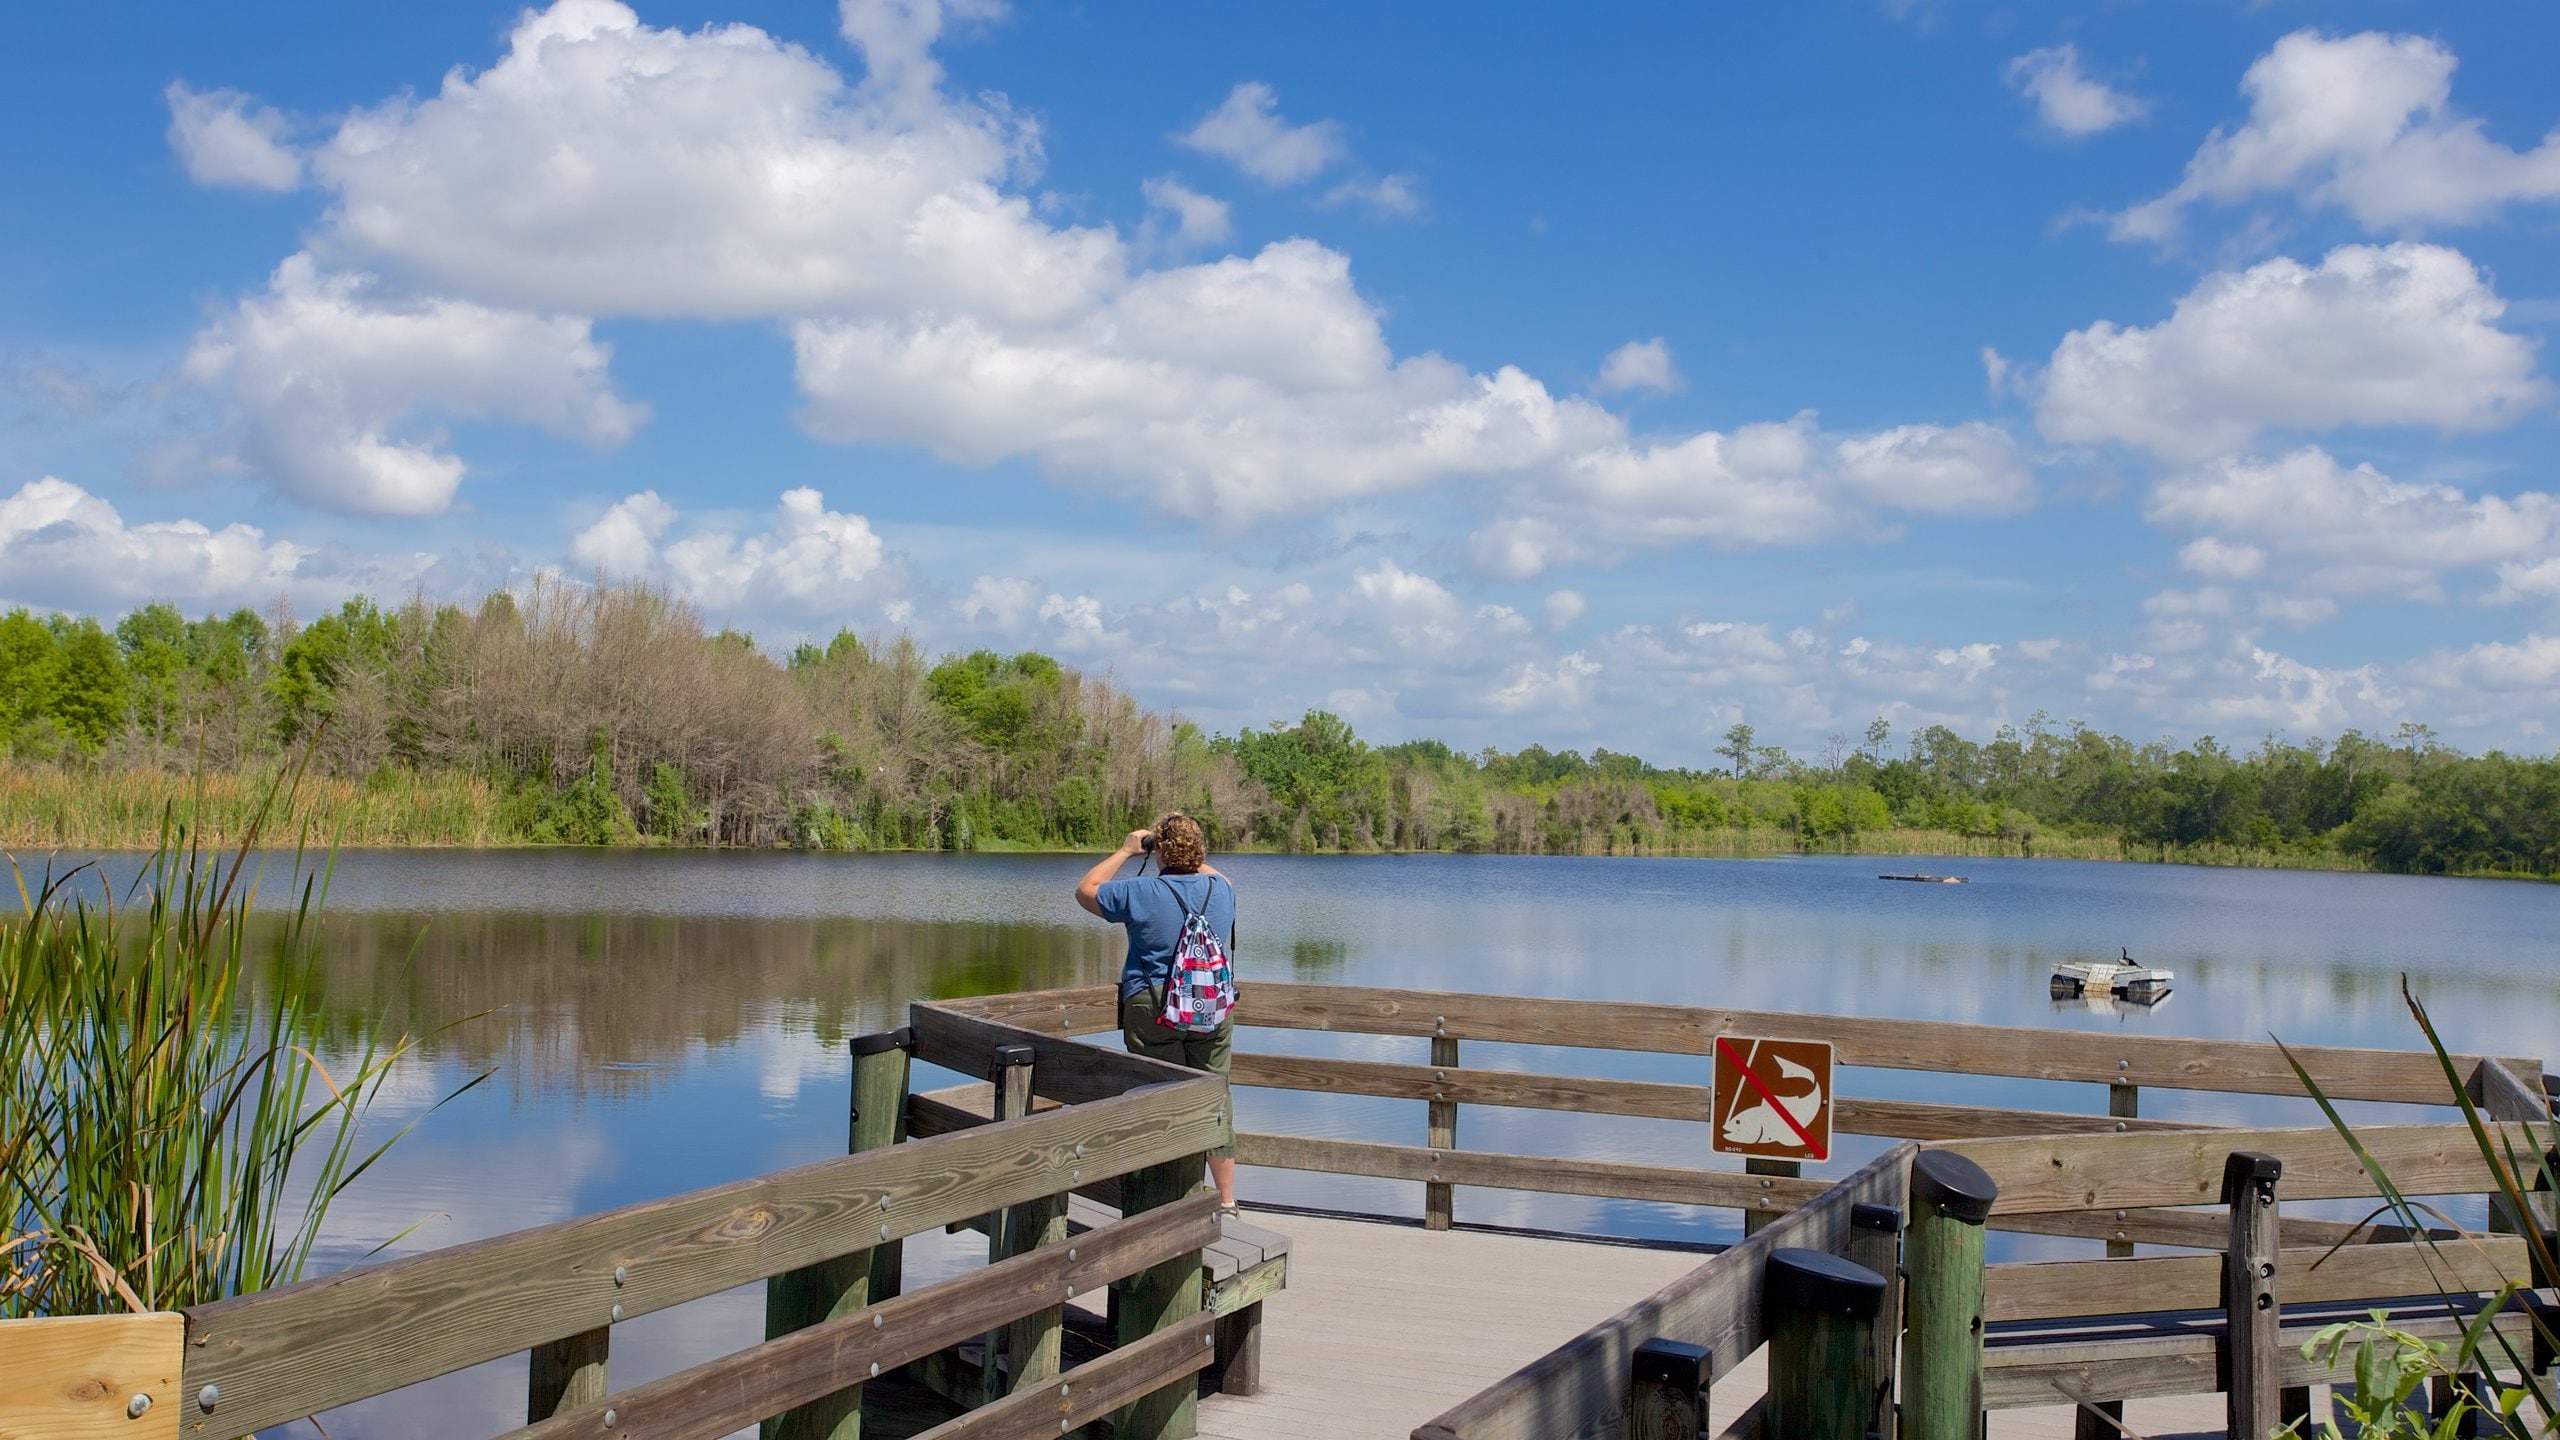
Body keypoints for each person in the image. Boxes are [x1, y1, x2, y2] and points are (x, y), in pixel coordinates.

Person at [1075, 812, 1239, 1214]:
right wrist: (1187, 850)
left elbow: (1086, 890)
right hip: (1211, 1007)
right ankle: (1226, 1199)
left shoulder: (1140, 891)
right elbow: (1225, 879)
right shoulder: (1221, 890)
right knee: (1214, 1095)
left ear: (1159, 851)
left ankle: (1163, 1203)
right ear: (1200, 851)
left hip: (1155, 1005)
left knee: (1158, 1099)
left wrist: (1129, 850)